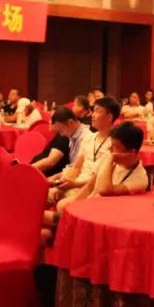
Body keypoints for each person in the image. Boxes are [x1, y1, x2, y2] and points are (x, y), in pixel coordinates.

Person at [43, 96, 119, 225]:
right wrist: (62, 186)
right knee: (43, 196)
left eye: (98, 111)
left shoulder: (115, 144)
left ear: (109, 117)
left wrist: (73, 184)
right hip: (77, 184)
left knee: (61, 206)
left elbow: (100, 179)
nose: (92, 115)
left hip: (93, 189)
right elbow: (77, 167)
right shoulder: (89, 138)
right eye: (93, 111)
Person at [75, 121, 149, 200]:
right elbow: (90, 186)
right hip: (89, 202)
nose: (110, 148)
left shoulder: (140, 179)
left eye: (115, 146)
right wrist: (73, 202)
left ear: (131, 152)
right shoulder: (108, 156)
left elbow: (105, 190)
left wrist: (111, 158)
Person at [30, 106, 83, 178]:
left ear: (70, 123)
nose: (50, 121)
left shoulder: (66, 137)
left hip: (47, 174)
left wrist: (28, 169)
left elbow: (50, 162)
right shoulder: (69, 134)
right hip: (56, 175)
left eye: (52, 120)